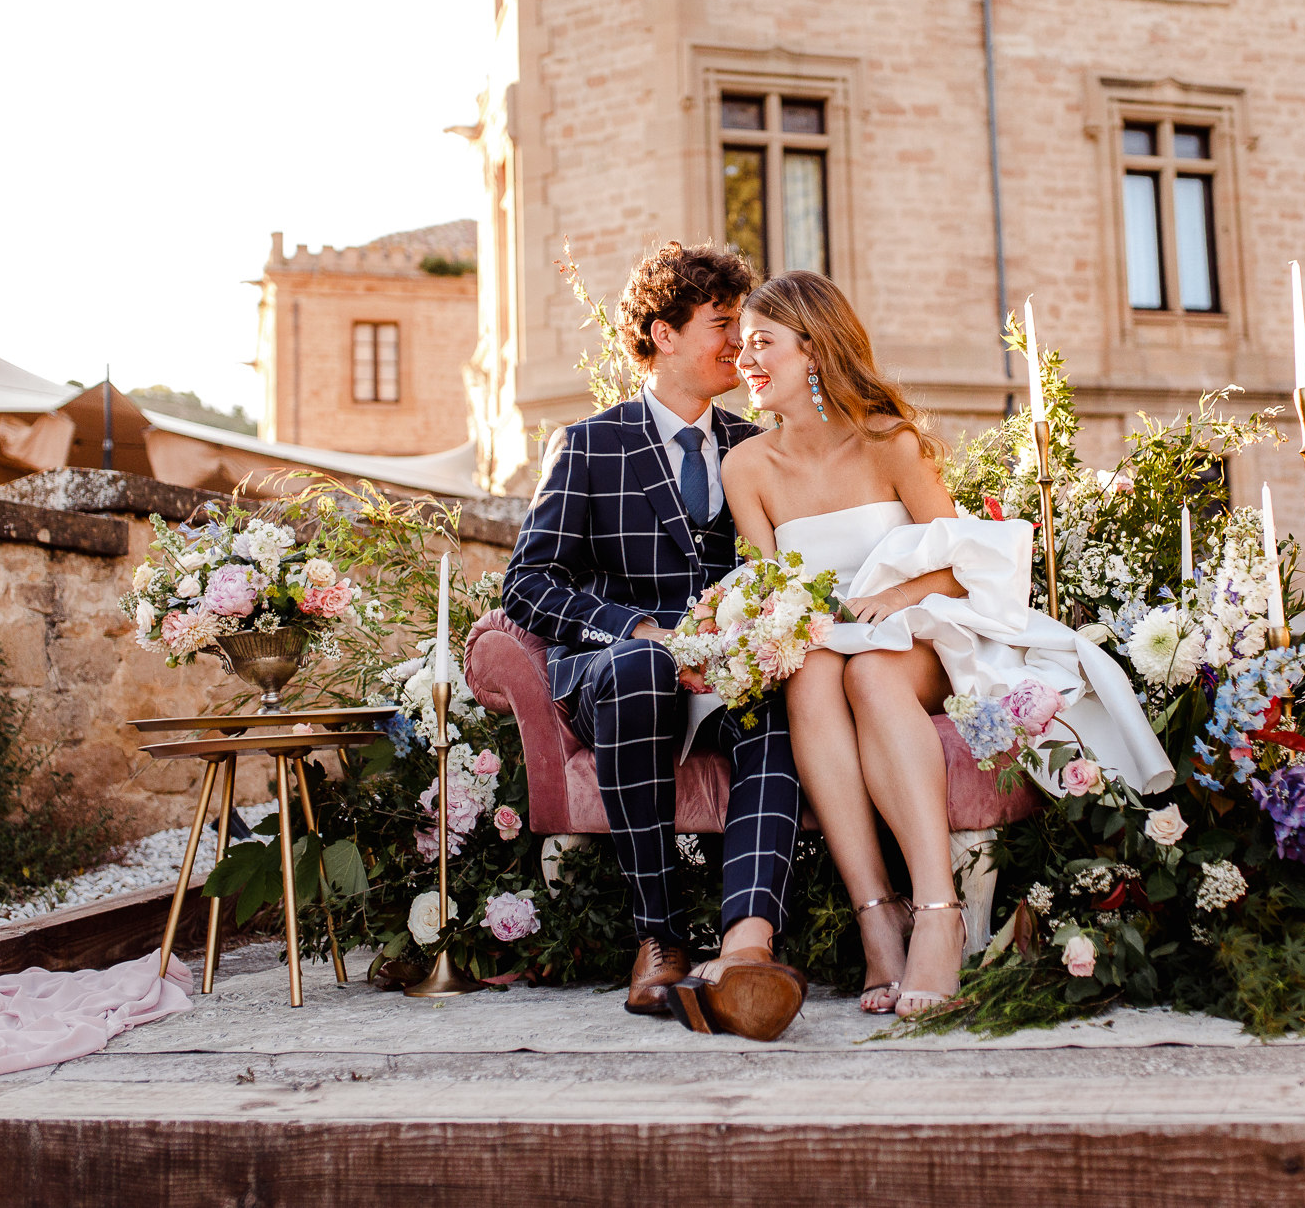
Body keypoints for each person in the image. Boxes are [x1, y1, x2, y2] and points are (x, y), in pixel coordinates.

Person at [721, 272, 1171, 1018]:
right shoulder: (747, 467)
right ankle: (878, 918)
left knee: (869, 670)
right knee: (811, 674)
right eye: (741, 346)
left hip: (924, 632)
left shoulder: (889, 440)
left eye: (762, 342)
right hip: (829, 644)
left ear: (814, 349)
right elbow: (775, 592)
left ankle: (938, 908)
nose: (747, 360)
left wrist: (894, 597)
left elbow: (965, 560)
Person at [502, 241, 807, 1042]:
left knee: (773, 697)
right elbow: (529, 583)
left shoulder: (756, 445)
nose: (739, 344)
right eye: (721, 324)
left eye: (744, 326)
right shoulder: (589, 444)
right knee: (643, 664)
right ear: (662, 334)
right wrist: (634, 627)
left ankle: (749, 952)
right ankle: (661, 940)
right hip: (619, 670)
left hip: (724, 666)